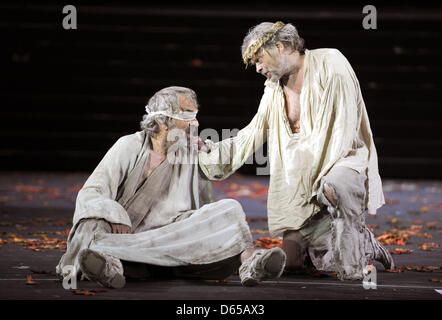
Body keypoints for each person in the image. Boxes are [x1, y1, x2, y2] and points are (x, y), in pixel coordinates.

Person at [198, 22, 394, 280]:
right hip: (302, 181)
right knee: (290, 264)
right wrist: (211, 152)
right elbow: (251, 134)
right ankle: (340, 241)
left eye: (259, 59)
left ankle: (359, 246)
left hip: (341, 162)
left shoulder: (331, 63)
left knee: (334, 189)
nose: (257, 68)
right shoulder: (273, 90)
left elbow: (343, 130)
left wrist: (320, 182)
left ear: (280, 47)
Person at [56, 86, 286, 288]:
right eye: (188, 115)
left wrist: (257, 126)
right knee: (91, 223)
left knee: (230, 208)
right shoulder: (129, 145)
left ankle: (250, 264)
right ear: (162, 120)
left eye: (195, 115)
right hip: (125, 232)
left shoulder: (190, 149)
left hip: (172, 235)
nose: (195, 123)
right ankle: (109, 265)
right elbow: (92, 192)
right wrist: (116, 216)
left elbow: (224, 158)